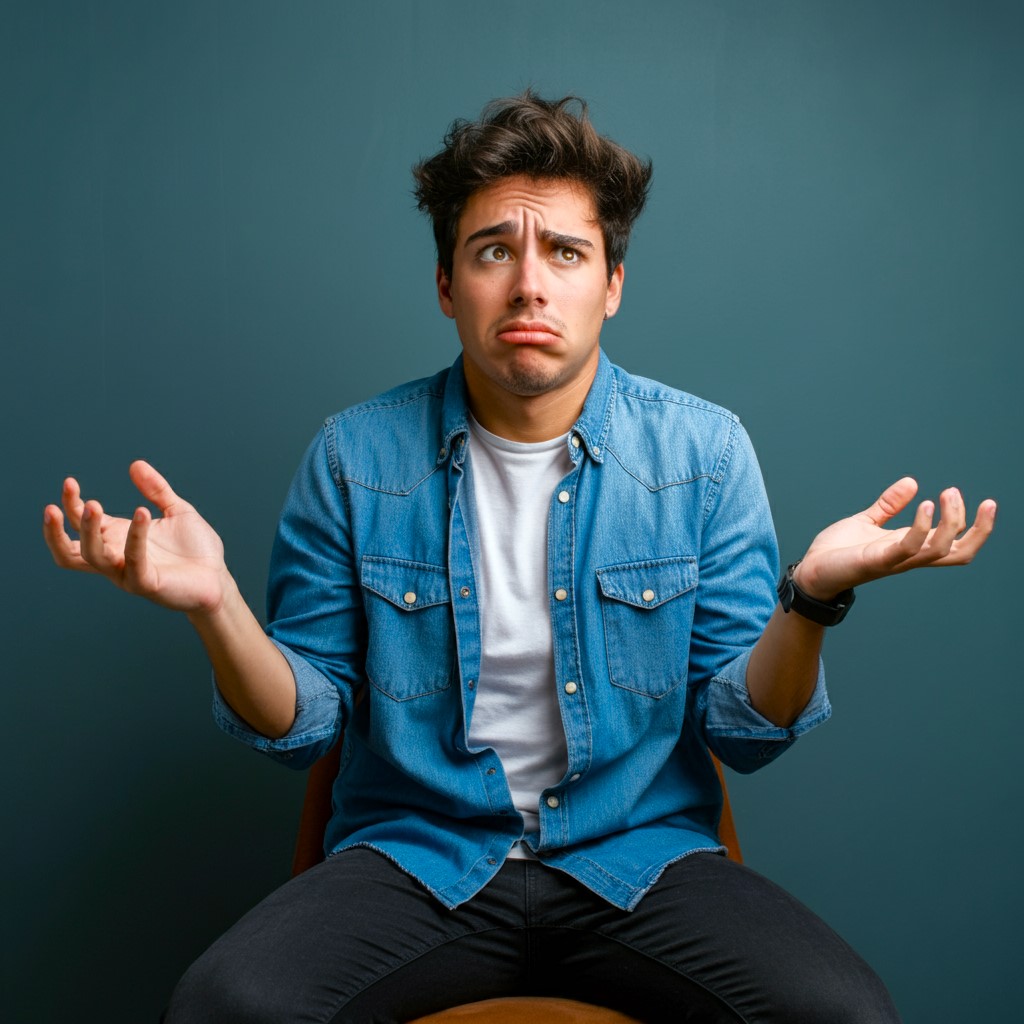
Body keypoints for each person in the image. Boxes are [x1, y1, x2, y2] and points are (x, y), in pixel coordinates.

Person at [44, 94, 995, 1024]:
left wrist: (812, 600)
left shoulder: (704, 454)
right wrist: (218, 606)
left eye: (566, 252)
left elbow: (744, 733)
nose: (529, 284)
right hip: (418, 861)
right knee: (222, 1006)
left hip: (637, 859)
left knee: (843, 1012)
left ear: (612, 284)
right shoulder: (354, 456)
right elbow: (303, 724)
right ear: (448, 284)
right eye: (494, 250)